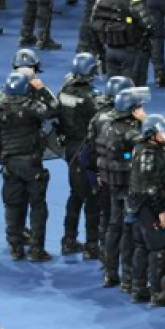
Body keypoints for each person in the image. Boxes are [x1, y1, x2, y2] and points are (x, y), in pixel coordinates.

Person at [0, 71, 57, 262]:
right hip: (32, 164)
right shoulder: (31, 107)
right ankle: (36, 249)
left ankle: (15, 247)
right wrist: (41, 89)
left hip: (10, 164)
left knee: (13, 206)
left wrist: (3, 158)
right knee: (37, 207)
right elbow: (53, 109)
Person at [100, 86, 148, 290]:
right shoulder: (130, 131)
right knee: (129, 232)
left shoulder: (107, 125)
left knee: (113, 227)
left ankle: (110, 272)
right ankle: (128, 278)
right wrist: (145, 122)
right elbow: (151, 142)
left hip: (112, 183)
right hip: (127, 186)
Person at [129, 114, 165, 304]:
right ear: (151, 135)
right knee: (159, 249)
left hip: (139, 205)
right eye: (161, 132)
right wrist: (161, 211)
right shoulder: (148, 155)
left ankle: (139, 288)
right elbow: (151, 188)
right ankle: (159, 293)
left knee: (142, 247)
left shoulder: (144, 148)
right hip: (148, 207)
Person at [57, 53, 103, 258]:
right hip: (86, 151)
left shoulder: (64, 91)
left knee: (75, 195)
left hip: (69, 149)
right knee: (92, 198)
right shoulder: (92, 97)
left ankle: (69, 239)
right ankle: (92, 245)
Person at [89, 0, 155, 83]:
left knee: (113, 88)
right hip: (130, 52)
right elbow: (149, 26)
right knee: (131, 90)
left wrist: (99, 51)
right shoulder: (133, 3)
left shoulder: (100, 1)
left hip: (109, 51)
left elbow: (92, 27)